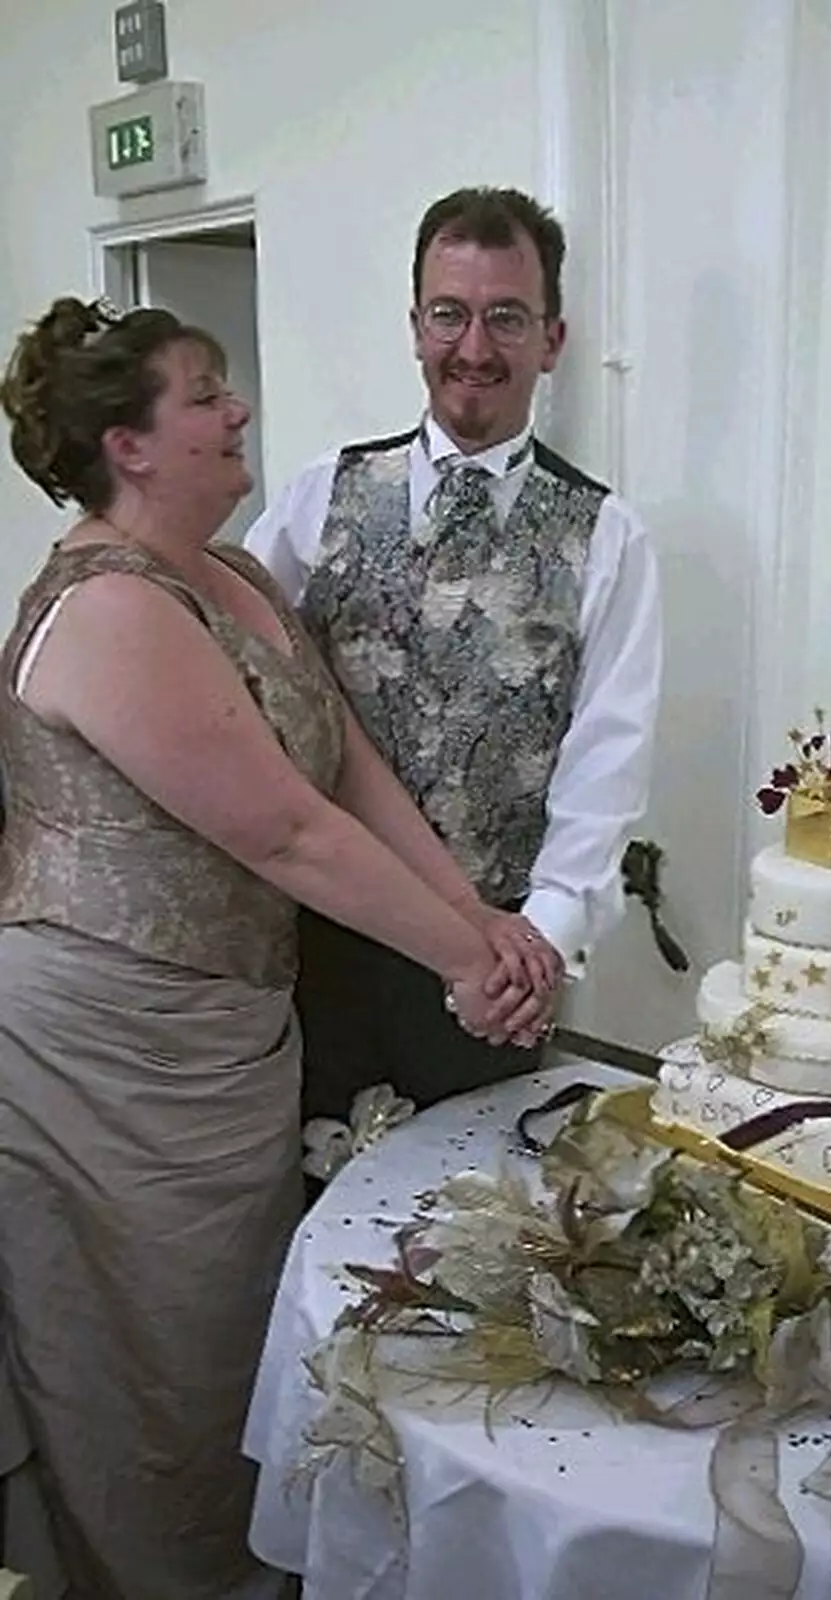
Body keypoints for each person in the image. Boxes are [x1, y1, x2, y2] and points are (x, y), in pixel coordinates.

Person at [0, 296, 559, 1600]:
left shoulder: (234, 575)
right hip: (104, 1051)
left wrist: (482, 925)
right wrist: (467, 966)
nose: (237, 408)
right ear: (129, 445)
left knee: (233, 1338)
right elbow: (287, 838)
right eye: (204, 393)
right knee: (151, 1363)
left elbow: (350, 773)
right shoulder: (108, 612)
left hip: (232, 1030)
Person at [246, 185, 662, 1118]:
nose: (473, 349)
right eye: (450, 315)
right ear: (415, 325)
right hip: (314, 949)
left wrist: (533, 947)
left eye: (506, 318)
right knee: (303, 1209)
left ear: (551, 339)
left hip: (490, 975)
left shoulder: (609, 537)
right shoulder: (320, 495)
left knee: (468, 1240)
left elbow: (607, 766)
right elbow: (231, 670)